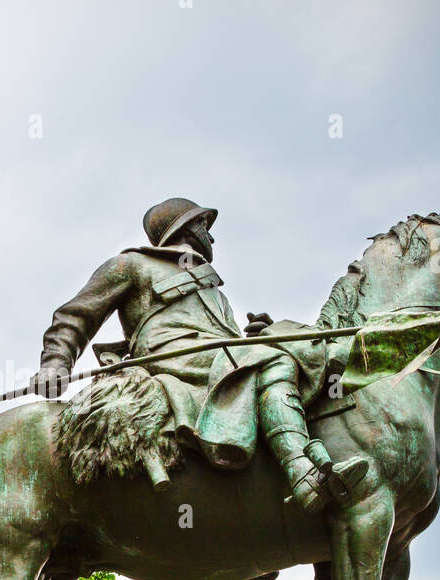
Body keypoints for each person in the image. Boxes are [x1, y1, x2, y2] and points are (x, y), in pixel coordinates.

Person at [30, 197, 366, 512]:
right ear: (188, 229)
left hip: (217, 358)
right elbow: (76, 315)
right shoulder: (132, 265)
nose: (212, 239)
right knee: (275, 359)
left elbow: (225, 340)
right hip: (172, 355)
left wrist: (257, 335)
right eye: (206, 228)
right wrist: (55, 364)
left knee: (280, 349)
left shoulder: (215, 292)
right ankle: (302, 473)